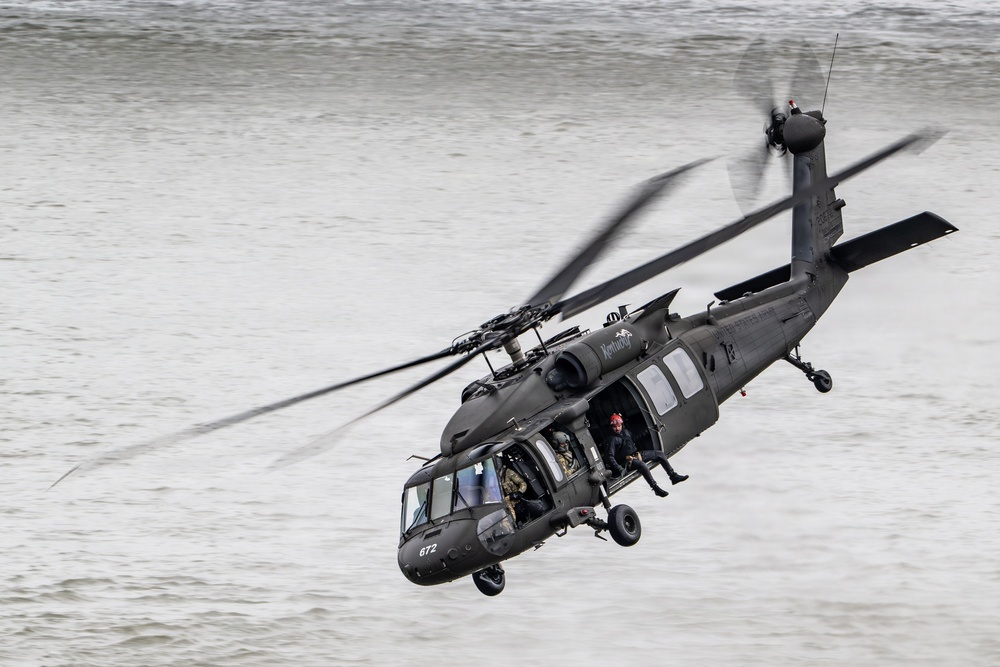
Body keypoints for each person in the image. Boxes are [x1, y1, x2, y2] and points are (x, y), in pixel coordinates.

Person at [604, 413, 688, 497]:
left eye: (619, 426)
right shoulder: (612, 440)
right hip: (627, 461)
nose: (617, 428)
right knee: (642, 465)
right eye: (615, 427)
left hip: (636, 454)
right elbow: (609, 456)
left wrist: (647, 431)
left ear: (622, 425)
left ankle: (673, 476)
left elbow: (633, 439)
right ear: (611, 427)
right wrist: (619, 468)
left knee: (659, 454)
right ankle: (655, 488)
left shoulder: (626, 432)